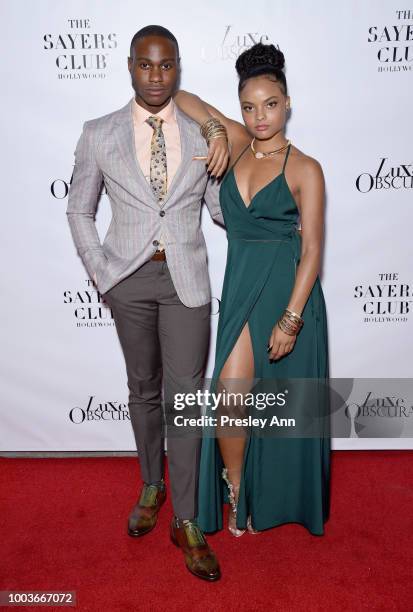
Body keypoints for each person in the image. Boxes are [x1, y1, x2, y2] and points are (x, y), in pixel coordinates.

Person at [66, 24, 229, 581]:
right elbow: (79, 210)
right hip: (128, 282)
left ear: (178, 67)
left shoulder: (203, 136)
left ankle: (187, 520)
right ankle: (151, 484)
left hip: (187, 282)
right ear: (130, 66)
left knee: (185, 399)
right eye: (145, 65)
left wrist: (267, 191)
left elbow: (221, 209)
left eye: (166, 66)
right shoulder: (98, 133)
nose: (156, 76)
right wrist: (102, 275)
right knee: (143, 388)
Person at [174, 42, 331, 537]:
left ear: (288, 105)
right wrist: (217, 128)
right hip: (242, 286)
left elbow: (313, 251)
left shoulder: (306, 167)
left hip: (289, 292)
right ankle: (238, 492)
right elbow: (182, 98)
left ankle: (280, 496)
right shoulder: (238, 143)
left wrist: (292, 318)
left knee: (285, 401)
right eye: (248, 106)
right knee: (231, 391)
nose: (259, 115)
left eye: (270, 104)